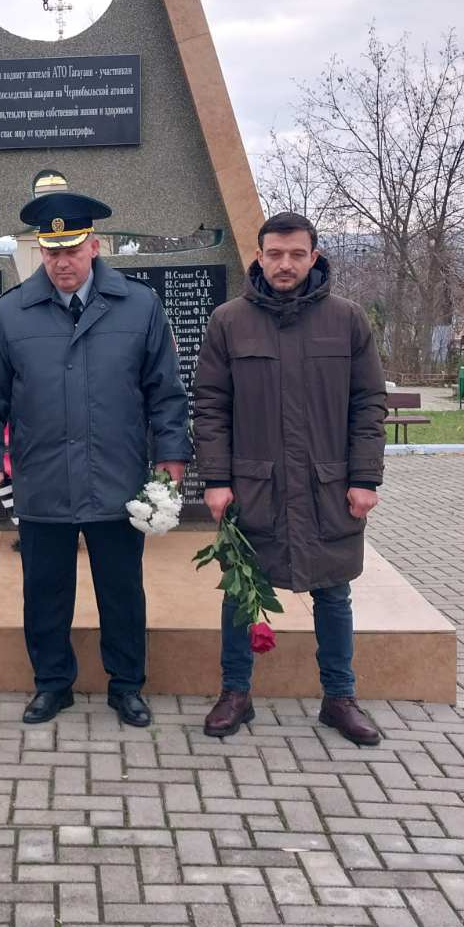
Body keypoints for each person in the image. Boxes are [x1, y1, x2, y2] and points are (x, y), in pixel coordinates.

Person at [0, 171, 190, 727]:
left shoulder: (139, 307)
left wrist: (172, 455)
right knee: (45, 591)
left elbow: (165, 391)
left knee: (122, 591)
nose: (61, 261)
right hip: (43, 477)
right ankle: (51, 684)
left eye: (71, 249)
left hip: (116, 478)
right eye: (51, 251)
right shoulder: (11, 312)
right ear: (40, 250)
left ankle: (127, 685)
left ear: (94, 245)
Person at [192, 210, 387, 744]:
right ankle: (235, 693)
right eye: (275, 254)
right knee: (240, 593)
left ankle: (340, 698)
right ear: (259, 256)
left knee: (334, 594)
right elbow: (210, 406)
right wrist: (216, 478)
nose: (285, 264)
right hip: (255, 488)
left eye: (297, 254)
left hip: (328, 487)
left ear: (313, 256)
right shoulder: (229, 321)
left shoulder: (347, 320)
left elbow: (369, 404)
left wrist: (365, 477)